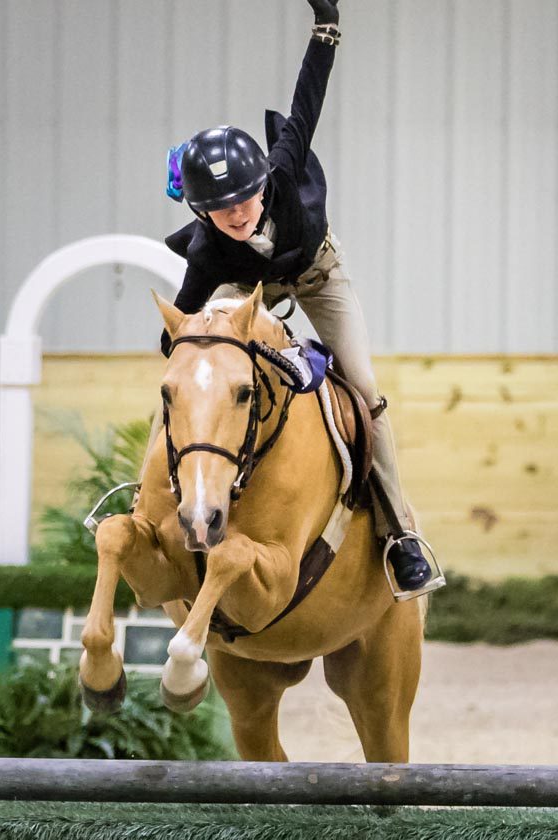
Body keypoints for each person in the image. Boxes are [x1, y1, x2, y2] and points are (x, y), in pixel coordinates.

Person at [162, 0, 443, 600]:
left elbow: (305, 102)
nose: (236, 213)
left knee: (365, 392)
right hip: (247, 293)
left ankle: (401, 536)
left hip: (319, 274)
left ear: (264, 182)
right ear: (200, 212)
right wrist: (184, 359)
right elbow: (180, 327)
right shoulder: (210, 253)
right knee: (197, 385)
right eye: (219, 208)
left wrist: (326, 30)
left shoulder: (283, 173)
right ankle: (160, 502)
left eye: (244, 198)